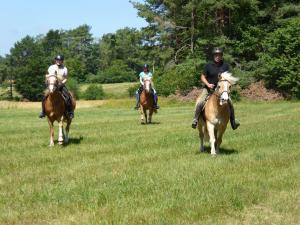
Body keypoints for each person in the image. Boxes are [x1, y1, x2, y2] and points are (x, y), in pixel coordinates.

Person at [191, 47, 240, 130]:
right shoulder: (208, 65)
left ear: (221, 56)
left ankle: (233, 122)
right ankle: (195, 119)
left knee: (230, 104)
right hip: (208, 89)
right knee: (201, 101)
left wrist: (229, 85)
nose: (218, 56)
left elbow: (229, 78)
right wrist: (208, 84)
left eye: (219, 55)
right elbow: (202, 77)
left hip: (222, 90)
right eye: (216, 55)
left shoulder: (225, 66)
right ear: (213, 56)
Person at [39, 54, 74, 119]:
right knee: (44, 96)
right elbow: (47, 75)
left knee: (68, 96)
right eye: (57, 60)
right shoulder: (51, 67)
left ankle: (70, 112)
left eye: (60, 60)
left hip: (61, 85)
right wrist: (47, 82)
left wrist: (62, 84)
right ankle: (43, 112)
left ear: (62, 61)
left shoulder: (65, 69)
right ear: (55, 60)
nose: (58, 61)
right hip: (52, 85)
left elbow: (66, 78)